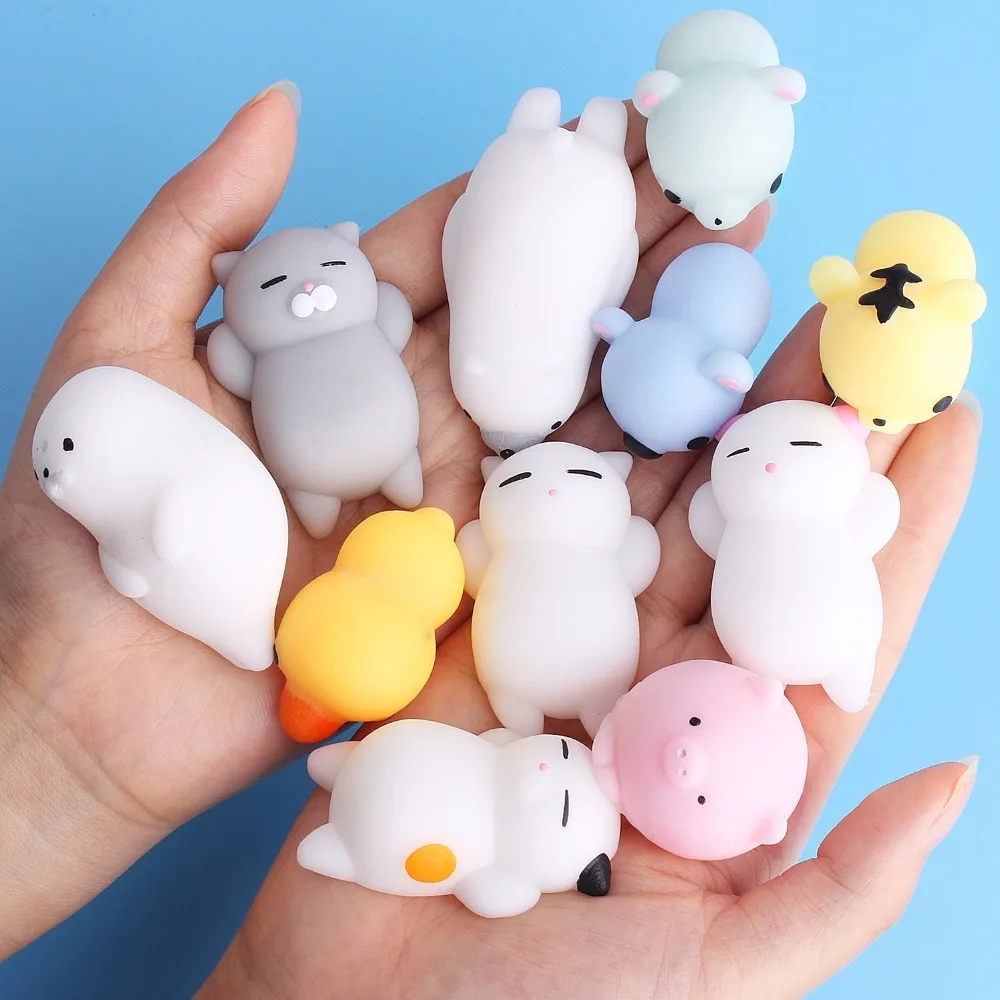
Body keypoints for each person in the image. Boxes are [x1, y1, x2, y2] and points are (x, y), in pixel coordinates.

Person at [0, 81, 979, 999]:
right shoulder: (544, 532)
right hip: (395, 599)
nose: (304, 295)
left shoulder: (603, 543)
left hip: (497, 638)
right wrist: (41, 749)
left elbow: (636, 547)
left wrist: (44, 749)